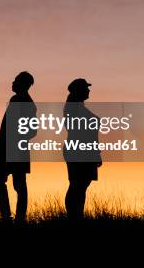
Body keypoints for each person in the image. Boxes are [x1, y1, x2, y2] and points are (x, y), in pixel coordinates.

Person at [0, 71, 37, 222]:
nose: (13, 83)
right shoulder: (16, 100)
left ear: (24, 84)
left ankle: (15, 218)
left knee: (17, 184)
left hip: (14, 149)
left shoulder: (26, 103)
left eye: (16, 80)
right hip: (6, 148)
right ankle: (10, 216)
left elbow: (32, 130)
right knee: (4, 182)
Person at [63, 78, 102, 219]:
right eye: (86, 88)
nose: (88, 90)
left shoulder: (76, 107)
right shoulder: (74, 108)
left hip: (83, 151)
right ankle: (74, 216)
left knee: (79, 185)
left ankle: (76, 215)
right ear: (79, 91)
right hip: (80, 151)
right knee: (77, 185)